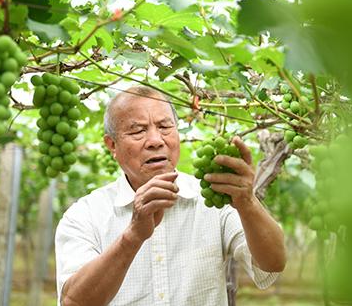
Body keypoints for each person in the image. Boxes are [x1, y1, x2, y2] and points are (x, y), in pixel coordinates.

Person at [55, 86, 286, 306]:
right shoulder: (84, 216)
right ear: (112, 145)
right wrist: (132, 237)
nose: (156, 140)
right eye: (138, 130)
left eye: (165, 127)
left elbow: (273, 263)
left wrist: (247, 202)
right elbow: (74, 302)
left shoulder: (215, 200)